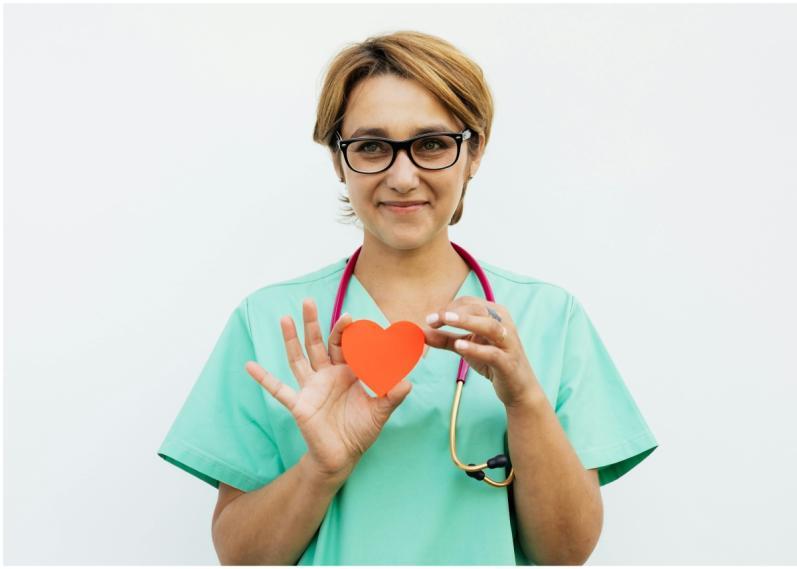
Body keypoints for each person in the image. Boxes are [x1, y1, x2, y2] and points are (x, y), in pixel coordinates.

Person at [157, 30, 659, 565]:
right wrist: (321, 469)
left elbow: (564, 554)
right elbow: (241, 558)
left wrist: (524, 400)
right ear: (338, 160)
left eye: (432, 144)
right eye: (371, 147)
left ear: (474, 152)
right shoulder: (268, 322)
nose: (402, 177)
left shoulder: (551, 318)